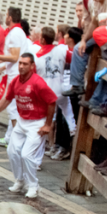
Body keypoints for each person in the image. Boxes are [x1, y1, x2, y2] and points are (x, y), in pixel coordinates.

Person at [0, 53, 57, 199]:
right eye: (20, 63)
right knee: (12, 151)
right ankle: (20, 180)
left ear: (32, 66)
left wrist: (48, 125)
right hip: (22, 121)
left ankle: (33, 186)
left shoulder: (38, 82)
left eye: (25, 64)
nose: (21, 66)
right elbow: (7, 99)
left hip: (37, 123)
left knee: (26, 155)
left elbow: (52, 101)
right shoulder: (16, 81)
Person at [0, 7, 29, 148]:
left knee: (13, 109)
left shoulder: (16, 33)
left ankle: (19, 141)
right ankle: (13, 139)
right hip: (14, 73)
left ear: (10, 18)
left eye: (6, 15)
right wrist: (0, 63)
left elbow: (15, 56)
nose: (5, 17)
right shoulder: (16, 32)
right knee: (13, 108)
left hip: (16, 75)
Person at [33, 27, 73, 160]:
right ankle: (73, 128)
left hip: (45, 94)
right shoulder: (61, 50)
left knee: (43, 124)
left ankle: (37, 158)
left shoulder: (37, 56)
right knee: (67, 110)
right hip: (60, 89)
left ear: (42, 39)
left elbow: (33, 76)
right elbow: (73, 59)